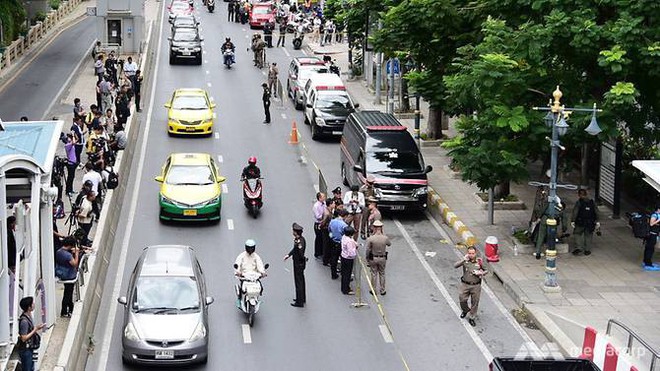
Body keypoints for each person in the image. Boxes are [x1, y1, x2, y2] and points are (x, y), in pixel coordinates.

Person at [454, 245, 487, 327]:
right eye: (469, 253)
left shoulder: (479, 261)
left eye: (473, 253)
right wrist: (463, 260)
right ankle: (465, 310)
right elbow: (455, 265)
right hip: (465, 284)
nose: (471, 255)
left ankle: (472, 317)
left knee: (475, 302)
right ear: (467, 253)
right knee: (462, 298)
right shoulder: (465, 261)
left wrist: (481, 273)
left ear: (475, 253)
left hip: (476, 285)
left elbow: (486, 270)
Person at [17, 297, 45, 371]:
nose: (34, 304)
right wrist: (35, 329)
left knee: (31, 368)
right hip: (26, 350)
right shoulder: (24, 321)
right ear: (29, 307)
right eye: (32, 303)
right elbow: (24, 338)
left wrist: (37, 328)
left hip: (29, 348)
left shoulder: (28, 316)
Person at [570, 189, 600, 256]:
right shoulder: (592, 202)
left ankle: (579, 247)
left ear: (579, 195)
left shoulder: (579, 202)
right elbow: (597, 212)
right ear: (586, 194)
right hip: (590, 222)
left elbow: (575, 212)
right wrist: (597, 221)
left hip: (580, 221)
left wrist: (573, 220)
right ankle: (587, 250)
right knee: (588, 235)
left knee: (577, 233)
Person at [56, 236, 80, 317]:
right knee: (68, 293)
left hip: (62, 274)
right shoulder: (68, 255)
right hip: (69, 275)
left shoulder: (59, 251)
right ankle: (64, 311)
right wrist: (76, 254)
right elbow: (75, 263)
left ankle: (71, 308)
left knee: (68, 292)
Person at [284, 223, 307, 307]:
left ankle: (299, 302)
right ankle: (302, 298)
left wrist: (301, 258)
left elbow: (300, 253)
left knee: (298, 282)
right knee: (301, 280)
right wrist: (289, 255)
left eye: (293, 231)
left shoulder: (299, 241)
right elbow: (294, 249)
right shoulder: (299, 239)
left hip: (298, 263)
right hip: (299, 262)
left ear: (296, 232)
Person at [366, 220, 390, 295]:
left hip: (373, 257)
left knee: (374, 274)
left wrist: (367, 259)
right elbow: (389, 244)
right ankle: (382, 290)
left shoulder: (371, 238)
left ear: (374, 228)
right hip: (382, 257)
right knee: (382, 273)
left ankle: (373, 290)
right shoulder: (385, 238)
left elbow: (368, 250)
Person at [328, 209, 348, 279]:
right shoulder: (344, 225)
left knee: (334, 258)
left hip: (333, 241)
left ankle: (333, 274)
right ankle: (343, 274)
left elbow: (329, 229)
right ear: (345, 216)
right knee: (343, 259)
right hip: (340, 243)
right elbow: (346, 234)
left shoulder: (332, 221)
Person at [340, 226, 358, 294]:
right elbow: (351, 253)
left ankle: (343, 287)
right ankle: (346, 289)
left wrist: (355, 244)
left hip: (343, 256)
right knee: (347, 274)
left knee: (344, 273)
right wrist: (355, 249)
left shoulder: (344, 237)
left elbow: (353, 241)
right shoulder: (349, 241)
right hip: (348, 259)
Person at [643, 205, 660, 271]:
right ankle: (648, 264)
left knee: (649, 248)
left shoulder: (656, 215)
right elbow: (651, 224)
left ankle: (646, 262)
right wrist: (658, 220)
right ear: (658, 209)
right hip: (652, 235)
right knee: (650, 249)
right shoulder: (654, 215)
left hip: (654, 234)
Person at [320, 198, 335, 265]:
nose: (334, 204)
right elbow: (323, 223)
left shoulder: (329, 211)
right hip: (326, 230)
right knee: (327, 245)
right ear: (330, 204)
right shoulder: (327, 213)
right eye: (333, 203)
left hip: (328, 229)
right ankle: (325, 260)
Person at [312, 192, 327, 258]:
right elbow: (318, 216)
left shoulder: (324, 204)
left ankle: (321, 252)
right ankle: (317, 253)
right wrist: (325, 215)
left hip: (323, 222)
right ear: (319, 198)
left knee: (322, 238)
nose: (324, 197)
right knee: (318, 238)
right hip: (318, 223)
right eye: (323, 197)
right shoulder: (316, 206)